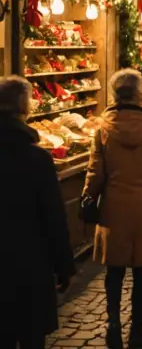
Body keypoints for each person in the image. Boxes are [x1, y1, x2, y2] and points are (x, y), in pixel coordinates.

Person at [83, 69, 142, 349]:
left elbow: (94, 172)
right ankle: (137, 330)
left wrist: (88, 197)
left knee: (114, 272)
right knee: (141, 272)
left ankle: (112, 322)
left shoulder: (103, 129)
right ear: (140, 93)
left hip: (114, 209)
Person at [0, 76, 74, 349]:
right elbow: (54, 217)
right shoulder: (37, 159)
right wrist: (64, 267)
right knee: (32, 337)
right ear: (24, 107)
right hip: (30, 265)